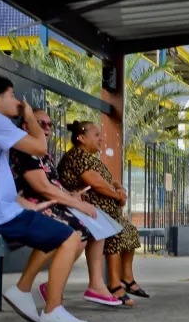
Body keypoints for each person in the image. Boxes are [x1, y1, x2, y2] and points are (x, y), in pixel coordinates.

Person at [0, 77, 89, 322]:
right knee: (70, 236)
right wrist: (29, 115)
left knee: (54, 229)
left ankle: (22, 290)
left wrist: (26, 206)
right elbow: (40, 147)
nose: (17, 102)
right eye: (12, 95)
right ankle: (53, 311)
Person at [10, 109, 133, 308]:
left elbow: (54, 186)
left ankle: (95, 285)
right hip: (33, 204)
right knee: (77, 229)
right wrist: (76, 202)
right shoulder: (26, 150)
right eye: (41, 123)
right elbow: (43, 188)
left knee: (93, 222)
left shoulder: (43, 154)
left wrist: (72, 196)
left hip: (52, 201)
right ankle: (33, 291)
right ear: (26, 125)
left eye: (50, 125)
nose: (47, 128)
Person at [57, 121, 148, 303]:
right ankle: (114, 285)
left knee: (129, 231)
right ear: (81, 138)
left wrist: (119, 189)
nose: (101, 138)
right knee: (115, 234)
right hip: (87, 209)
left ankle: (127, 278)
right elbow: (96, 183)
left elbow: (109, 180)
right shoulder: (77, 156)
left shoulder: (91, 158)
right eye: (97, 135)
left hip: (102, 210)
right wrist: (117, 196)